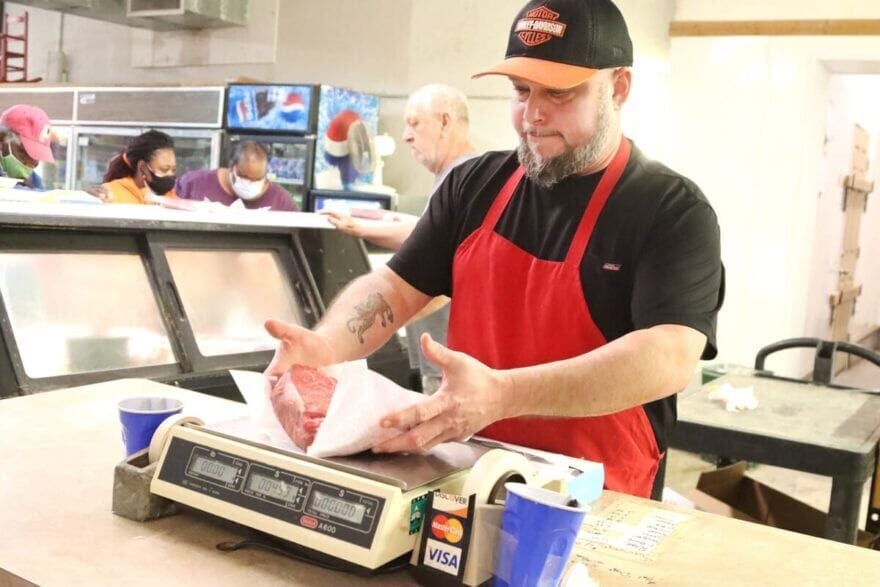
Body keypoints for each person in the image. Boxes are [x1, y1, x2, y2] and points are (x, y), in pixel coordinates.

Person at [264, 0, 724, 499]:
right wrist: (328, 345)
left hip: (596, 494)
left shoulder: (670, 209)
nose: (533, 115)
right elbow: (396, 287)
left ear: (618, 88)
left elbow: (671, 354)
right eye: (521, 91)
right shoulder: (473, 185)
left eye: (559, 93)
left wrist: (504, 395)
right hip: (470, 476)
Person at [325, 83, 477, 394]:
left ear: (445, 122)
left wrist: (359, 228)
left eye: (414, 123)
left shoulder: (465, 176)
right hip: (441, 357)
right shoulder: (457, 177)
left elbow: (433, 243)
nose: (406, 135)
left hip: (450, 363)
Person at [175, 140, 299, 211]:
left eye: (257, 179)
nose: (249, 183)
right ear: (232, 166)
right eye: (244, 176)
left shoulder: (281, 200)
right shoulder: (194, 183)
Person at [96, 130, 178, 204]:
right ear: (143, 167)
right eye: (164, 169)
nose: (170, 174)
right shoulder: (110, 194)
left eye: (173, 170)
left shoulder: (171, 196)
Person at [0, 105, 55, 190]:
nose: (30, 165)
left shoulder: (35, 180)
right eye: (24, 153)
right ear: (2, 142)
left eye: (36, 158)